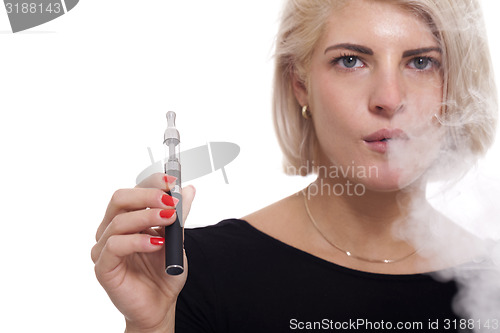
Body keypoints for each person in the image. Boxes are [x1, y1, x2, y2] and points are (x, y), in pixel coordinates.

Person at [91, 0, 498, 332]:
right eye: (352, 61)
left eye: (421, 62)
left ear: (455, 86)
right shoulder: (192, 275)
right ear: (300, 83)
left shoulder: (491, 280)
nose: (389, 99)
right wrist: (150, 326)